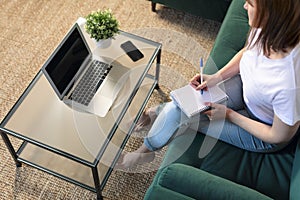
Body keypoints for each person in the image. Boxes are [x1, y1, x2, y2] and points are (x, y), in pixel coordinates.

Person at [116, 0, 300, 168]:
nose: (244, 6)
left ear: (271, 15)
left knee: (188, 118)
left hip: (262, 131)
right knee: (186, 103)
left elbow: (278, 135)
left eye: (250, 3)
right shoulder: (268, 29)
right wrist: (216, 77)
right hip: (248, 90)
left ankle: (143, 152)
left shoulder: (289, 82)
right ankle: (153, 114)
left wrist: (230, 115)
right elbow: (248, 51)